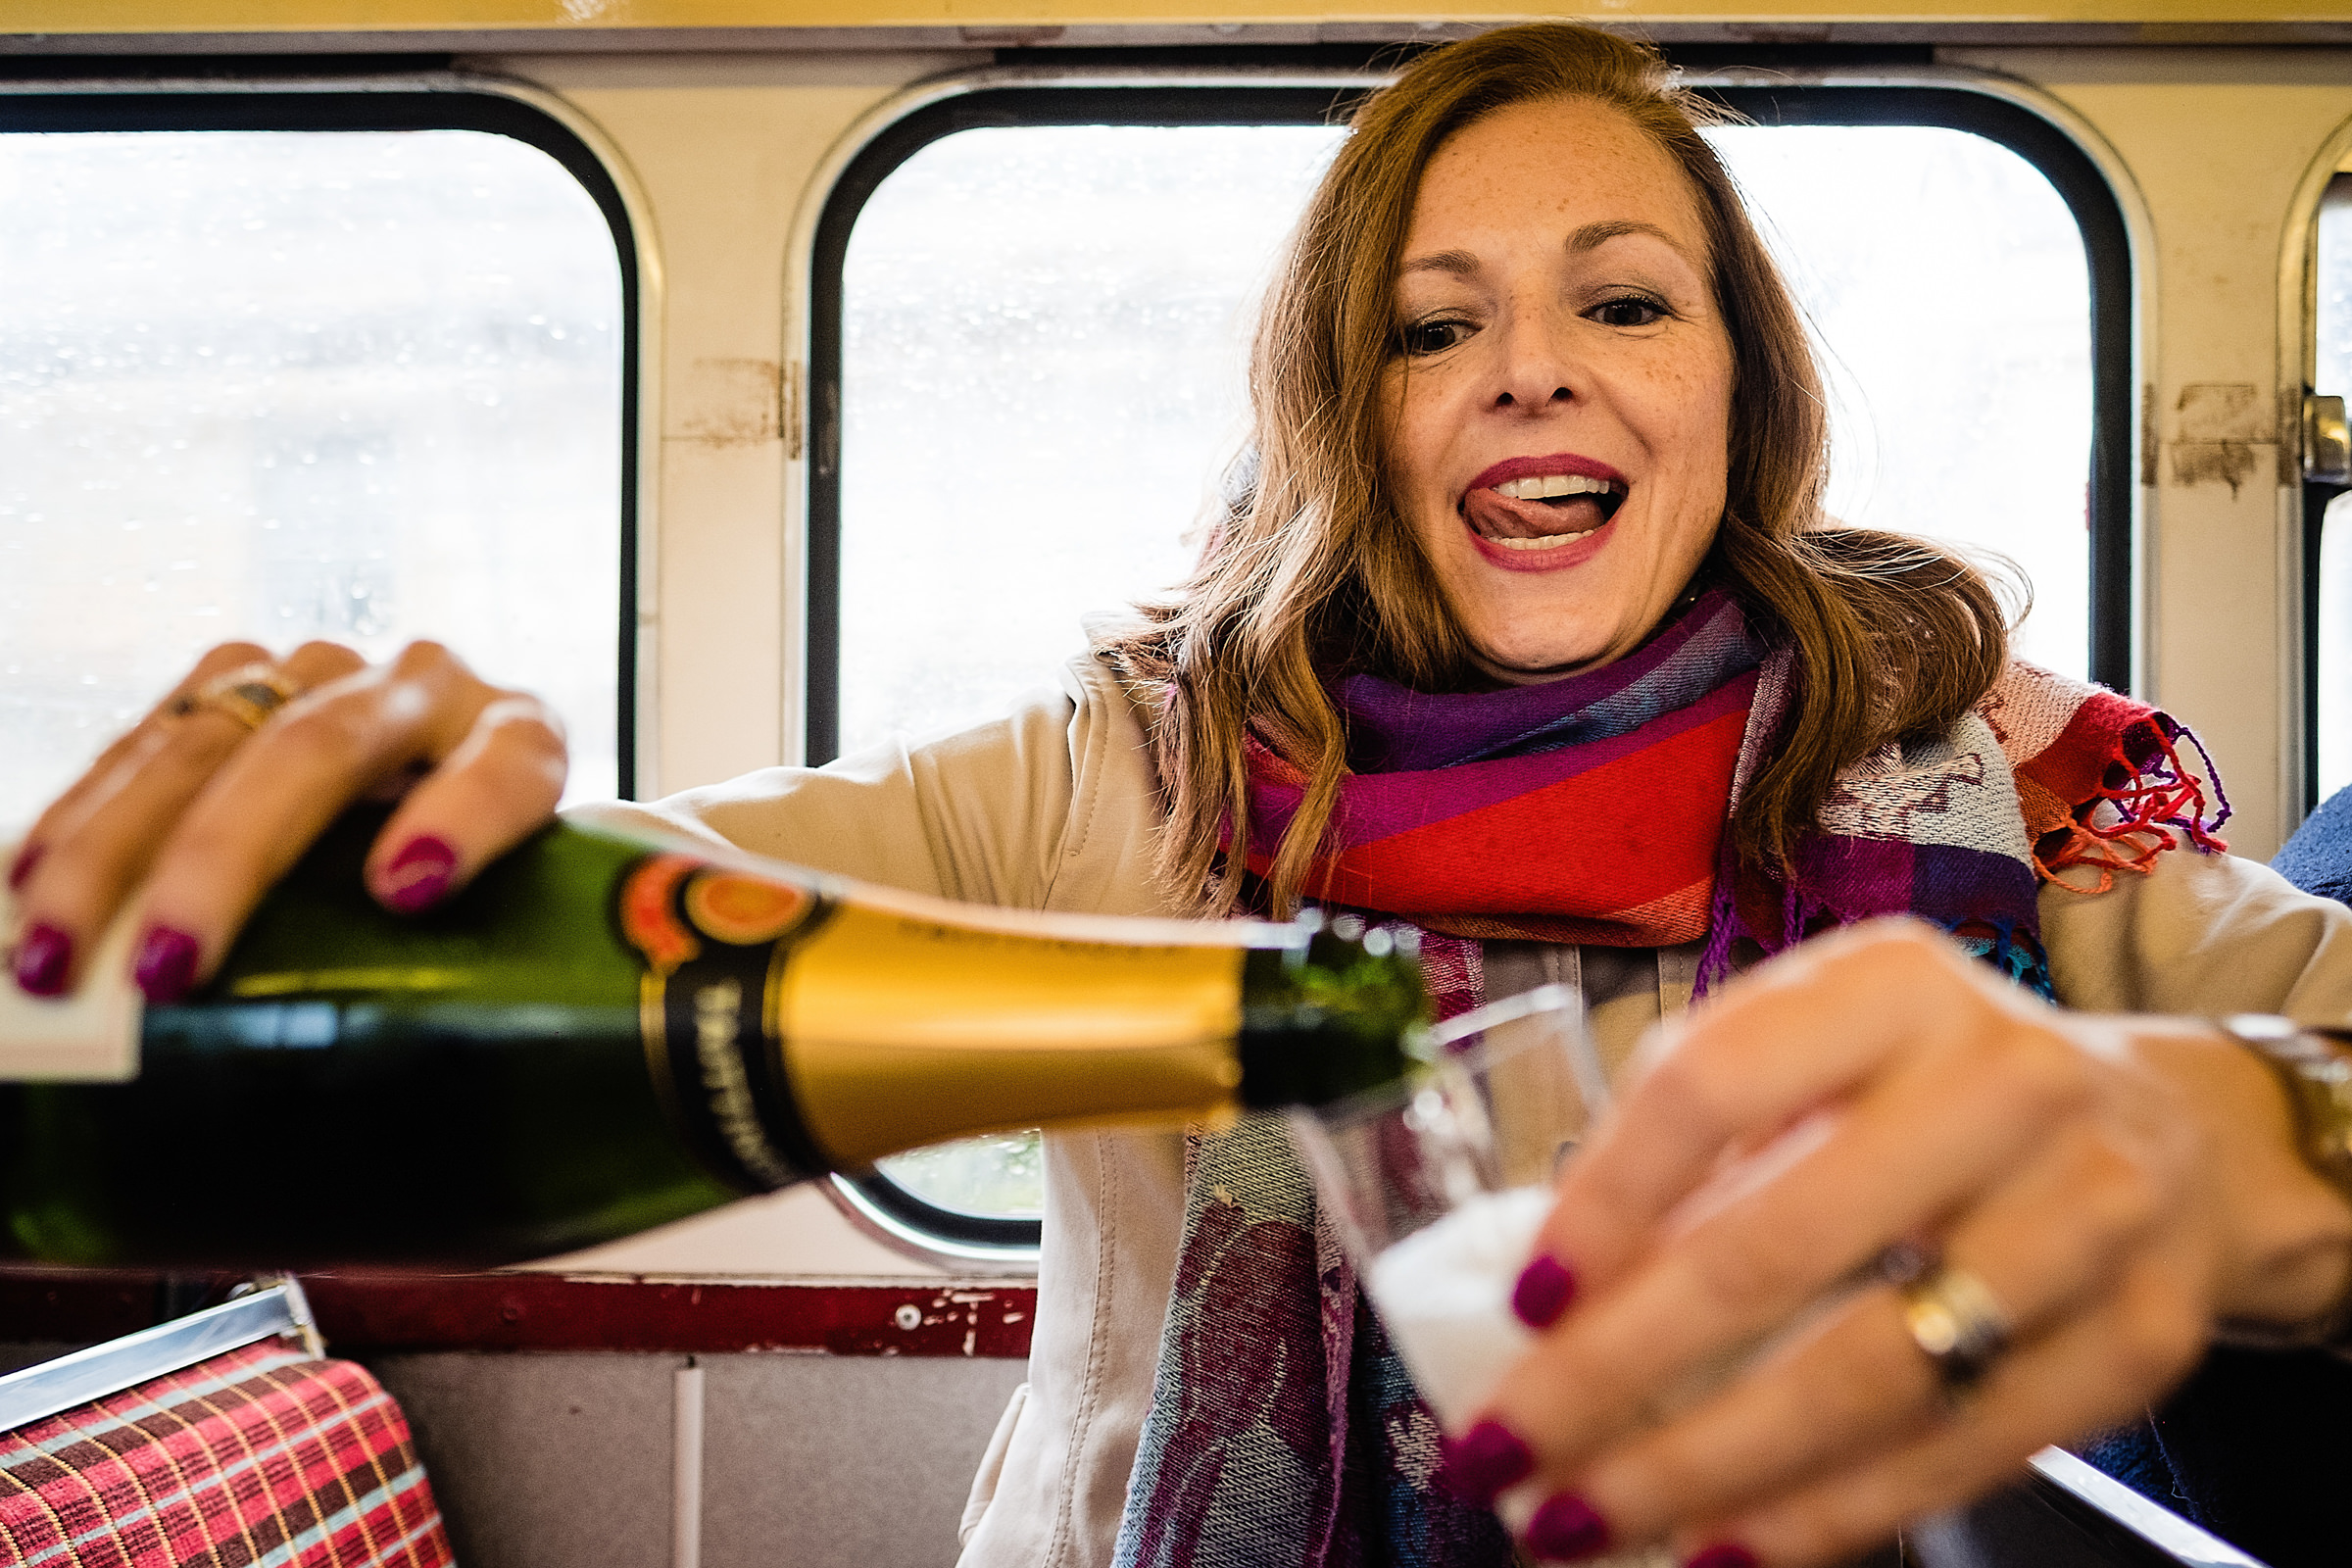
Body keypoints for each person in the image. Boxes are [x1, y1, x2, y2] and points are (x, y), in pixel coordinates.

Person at [11, 23, 2352, 1568]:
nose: (1531, 367)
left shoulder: (1971, 772)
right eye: (1432, 323)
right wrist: (359, 844)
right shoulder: (1128, 762)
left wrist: (2249, 1135)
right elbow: (641, 909)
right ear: (1352, 407)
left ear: (1739, 389)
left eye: (1625, 301)